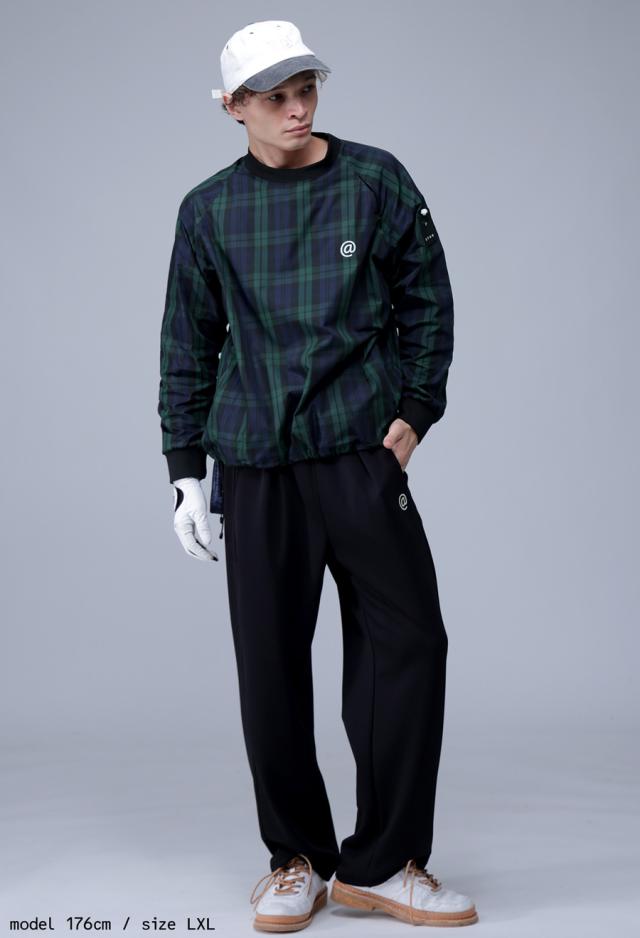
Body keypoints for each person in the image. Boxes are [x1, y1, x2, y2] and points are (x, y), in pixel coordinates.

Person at [157, 19, 478, 932]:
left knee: (408, 645)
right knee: (269, 663)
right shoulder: (209, 210)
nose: (297, 109)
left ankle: (383, 864)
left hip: (358, 456)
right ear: (233, 108)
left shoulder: (375, 180)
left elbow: (428, 298)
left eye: (306, 90)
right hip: (256, 463)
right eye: (274, 97)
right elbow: (187, 341)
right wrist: (186, 473)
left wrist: (415, 411)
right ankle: (294, 859)